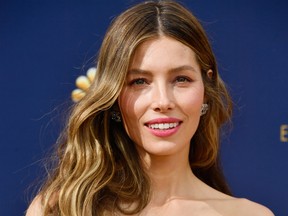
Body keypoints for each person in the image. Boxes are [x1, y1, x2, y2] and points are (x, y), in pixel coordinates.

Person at [26, 0, 274, 215]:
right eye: (139, 82)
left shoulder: (250, 214)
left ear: (206, 90)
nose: (163, 101)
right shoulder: (61, 209)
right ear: (113, 96)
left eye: (181, 79)